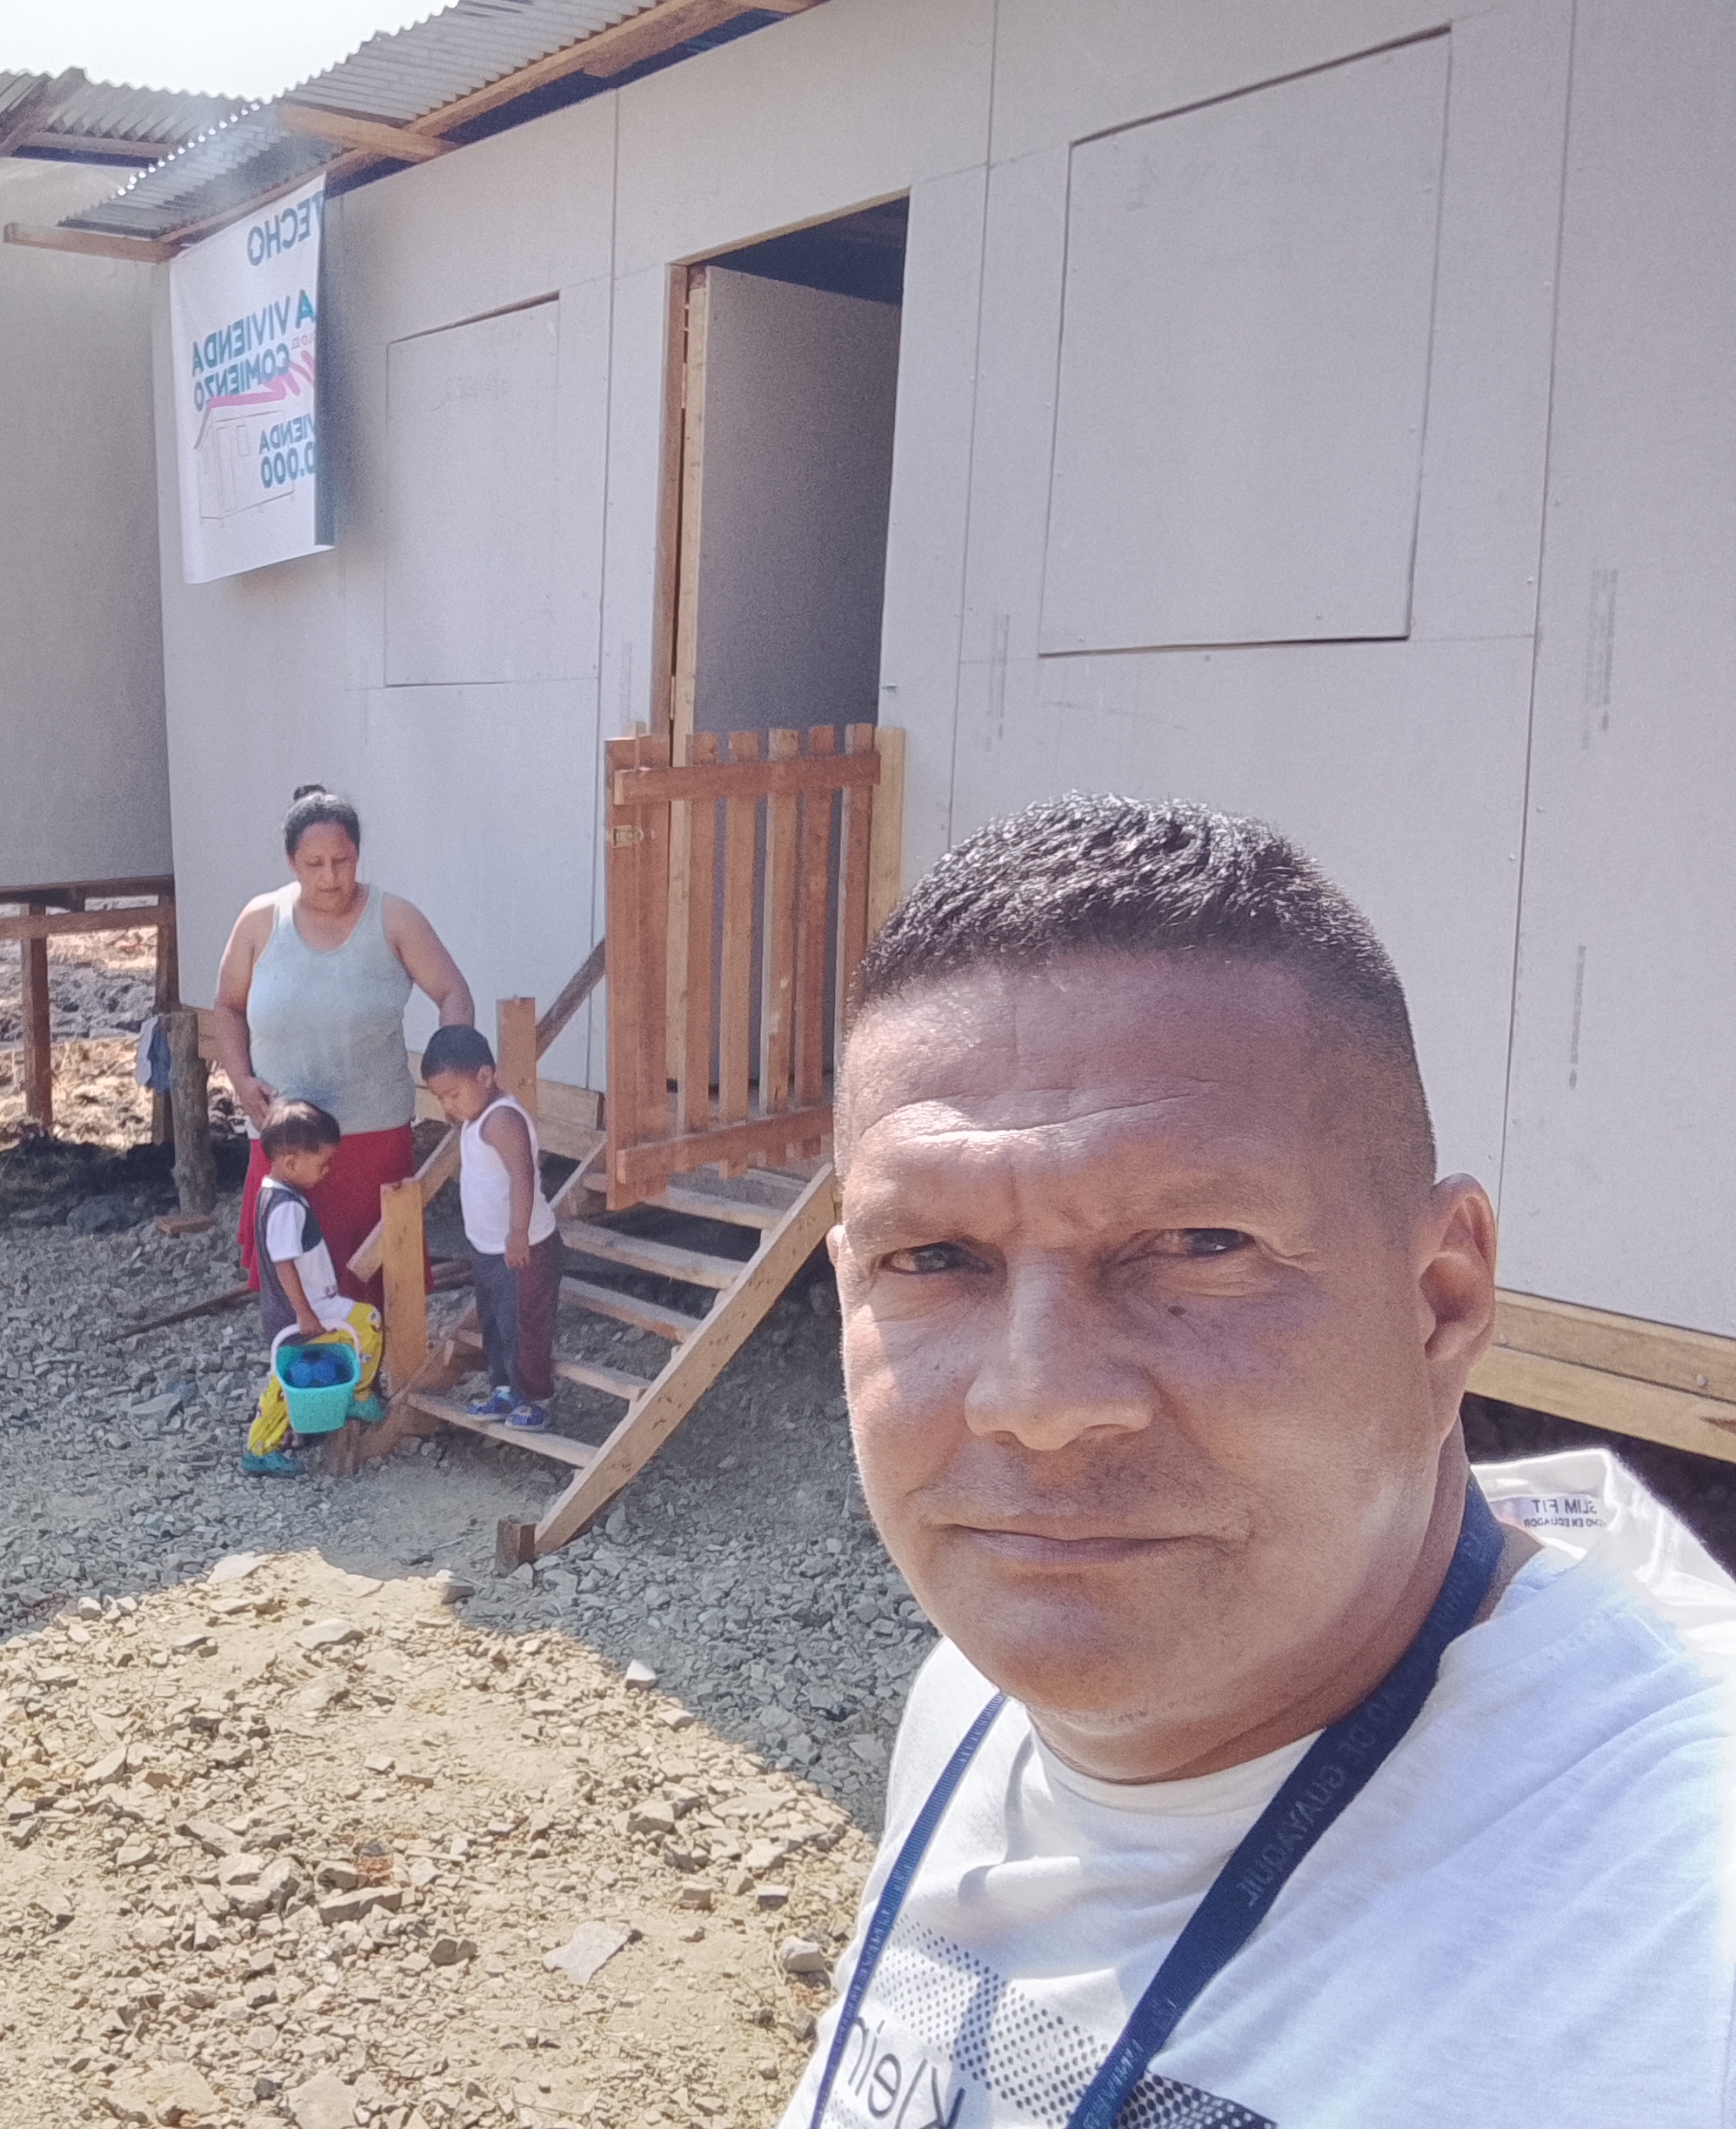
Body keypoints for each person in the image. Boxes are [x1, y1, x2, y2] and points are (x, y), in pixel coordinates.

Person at [788, 795, 1736, 2129]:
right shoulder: (972, 1699)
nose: (1037, 1403)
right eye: (932, 1258)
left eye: (1199, 1245)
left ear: (1442, 1301)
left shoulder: (1674, 1945)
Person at [213, 785, 475, 1313]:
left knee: (378, 1288)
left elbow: (453, 992)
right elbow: (227, 1005)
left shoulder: (394, 918)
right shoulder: (260, 921)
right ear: (291, 861)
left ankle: (385, 1368)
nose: (330, 876)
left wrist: (452, 1078)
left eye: (343, 860)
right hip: (285, 1141)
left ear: (359, 854)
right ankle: (304, 1369)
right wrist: (240, 1079)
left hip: (372, 1137)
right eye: (314, 864)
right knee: (293, 1285)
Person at [420, 1024, 564, 1430]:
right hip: (488, 1248)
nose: (448, 1105)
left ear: (485, 1076)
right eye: (441, 1098)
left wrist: (518, 1233)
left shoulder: (502, 1119)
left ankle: (534, 1398)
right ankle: (503, 1389)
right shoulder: (475, 1117)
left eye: (453, 1095)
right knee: (495, 1321)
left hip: (524, 1246)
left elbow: (522, 1175)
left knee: (524, 1324)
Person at [244, 1099, 383, 1477]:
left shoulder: (271, 1192)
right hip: (306, 1307)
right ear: (291, 1163)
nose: (327, 1171)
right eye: (322, 1164)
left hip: (295, 1306)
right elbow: (283, 1262)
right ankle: (358, 1394)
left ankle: (262, 1447)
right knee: (368, 1321)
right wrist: (305, 1312)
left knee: (285, 1378)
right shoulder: (287, 1206)